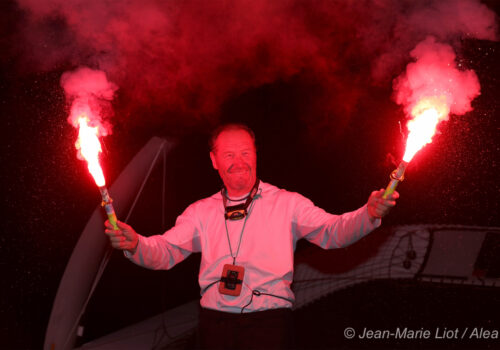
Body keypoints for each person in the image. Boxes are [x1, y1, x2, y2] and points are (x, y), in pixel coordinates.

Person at [105, 123, 399, 349]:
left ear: (256, 155)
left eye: (245, 152)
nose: (239, 161)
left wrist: (368, 213)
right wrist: (136, 244)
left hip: (269, 326)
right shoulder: (200, 212)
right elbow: (165, 251)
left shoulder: (288, 203)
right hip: (214, 326)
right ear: (214, 160)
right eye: (229, 154)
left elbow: (333, 231)